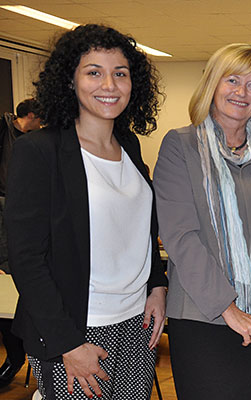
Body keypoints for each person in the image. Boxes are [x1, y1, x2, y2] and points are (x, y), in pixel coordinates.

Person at [5, 24, 167, 399]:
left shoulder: (129, 145)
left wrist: (157, 286)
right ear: (70, 81)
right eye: (94, 72)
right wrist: (68, 344)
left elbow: (141, 228)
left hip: (136, 323)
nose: (109, 84)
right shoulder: (39, 151)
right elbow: (27, 259)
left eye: (120, 73)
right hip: (77, 327)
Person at [153, 43, 251, 399]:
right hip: (204, 320)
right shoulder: (180, 146)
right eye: (232, 80)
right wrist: (229, 309)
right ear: (212, 85)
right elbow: (181, 237)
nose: (242, 92)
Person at [0, 98, 40, 389]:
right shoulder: (9, 137)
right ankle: (15, 359)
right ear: (31, 115)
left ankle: (20, 359)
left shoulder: (29, 143)